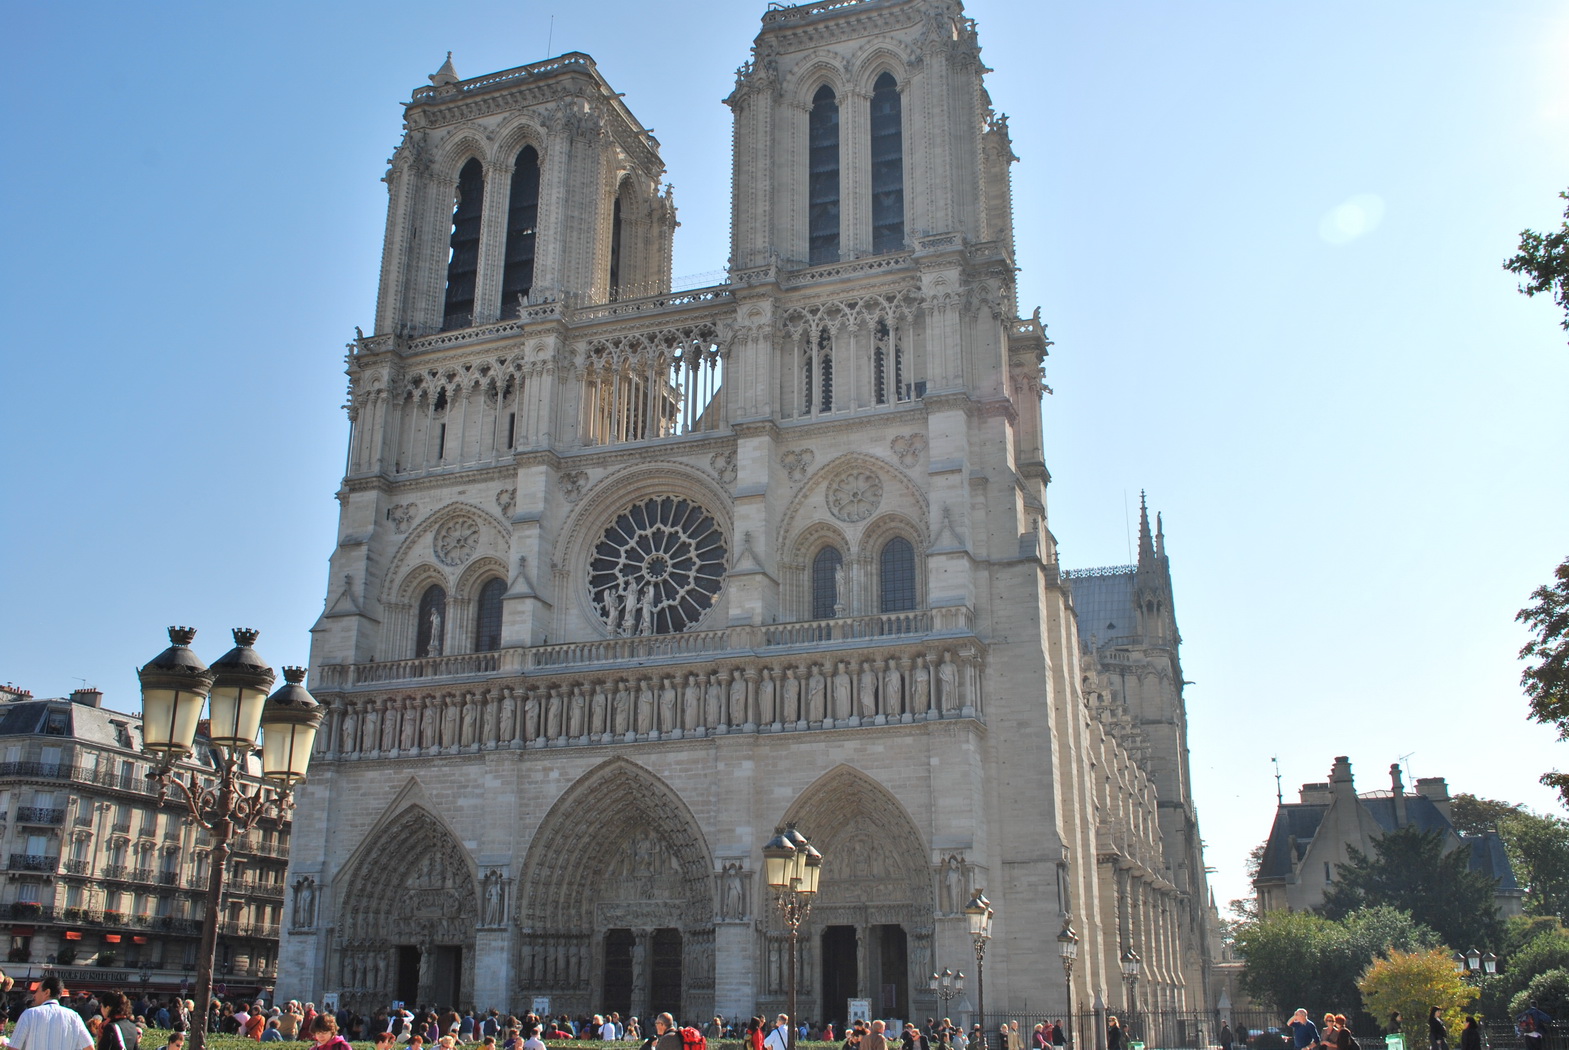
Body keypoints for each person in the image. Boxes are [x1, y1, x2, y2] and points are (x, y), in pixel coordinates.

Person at [12, 975, 94, 1050]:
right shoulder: (74, 1017)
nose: (34, 995)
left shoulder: (29, 1014)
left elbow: (14, 1047)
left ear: (47, 992)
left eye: (37, 991)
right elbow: (89, 1047)